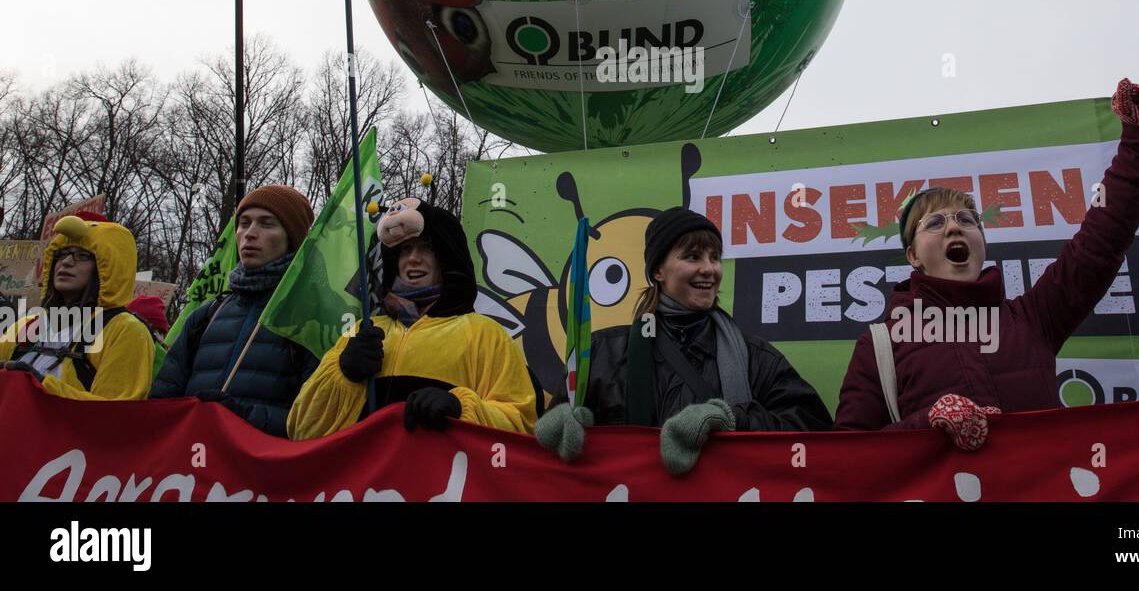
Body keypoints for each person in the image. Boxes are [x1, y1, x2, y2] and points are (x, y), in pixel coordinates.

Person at [835, 78, 1139, 450]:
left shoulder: (1034, 317)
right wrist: (924, 425)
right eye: (934, 223)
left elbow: (1101, 241)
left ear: (982, 241)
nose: (952, 227)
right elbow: (849, 456)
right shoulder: (881, 344)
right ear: (913, 256)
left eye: (966, 219)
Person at [536, 207, 832, 474]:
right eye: (692, 256)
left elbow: (814, 429)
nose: (709, 269)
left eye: (715, 257)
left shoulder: (754, 355)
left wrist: (733, 420)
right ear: (657, 271)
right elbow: (561, 429)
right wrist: (561, 425)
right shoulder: (603, 353)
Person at [287, 198, 537, 439]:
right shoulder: (363, 330)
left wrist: (461, 409)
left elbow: (521, 424)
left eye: (426, 248)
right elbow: (302, 428)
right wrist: (344, 374)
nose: (413, 258)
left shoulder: (485, 334)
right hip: (370, 482)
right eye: (405, 249)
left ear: (446, 257)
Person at [150, 184, 318, 437]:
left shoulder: (309, 320)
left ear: (292, 237)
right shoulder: (205, 316)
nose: (250, 234)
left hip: (262, 469)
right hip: (191, 465)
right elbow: (160, 405)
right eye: (244, 223)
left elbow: (314, 422)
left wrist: (244, 417)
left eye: (267, 223)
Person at [0, 212, 154, 400]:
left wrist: (42, 387)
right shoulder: (28, 324)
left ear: (107, 267)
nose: (66, 262)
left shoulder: (125, 331)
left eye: (82, 256)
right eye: (61, 254)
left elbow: (116, 414)